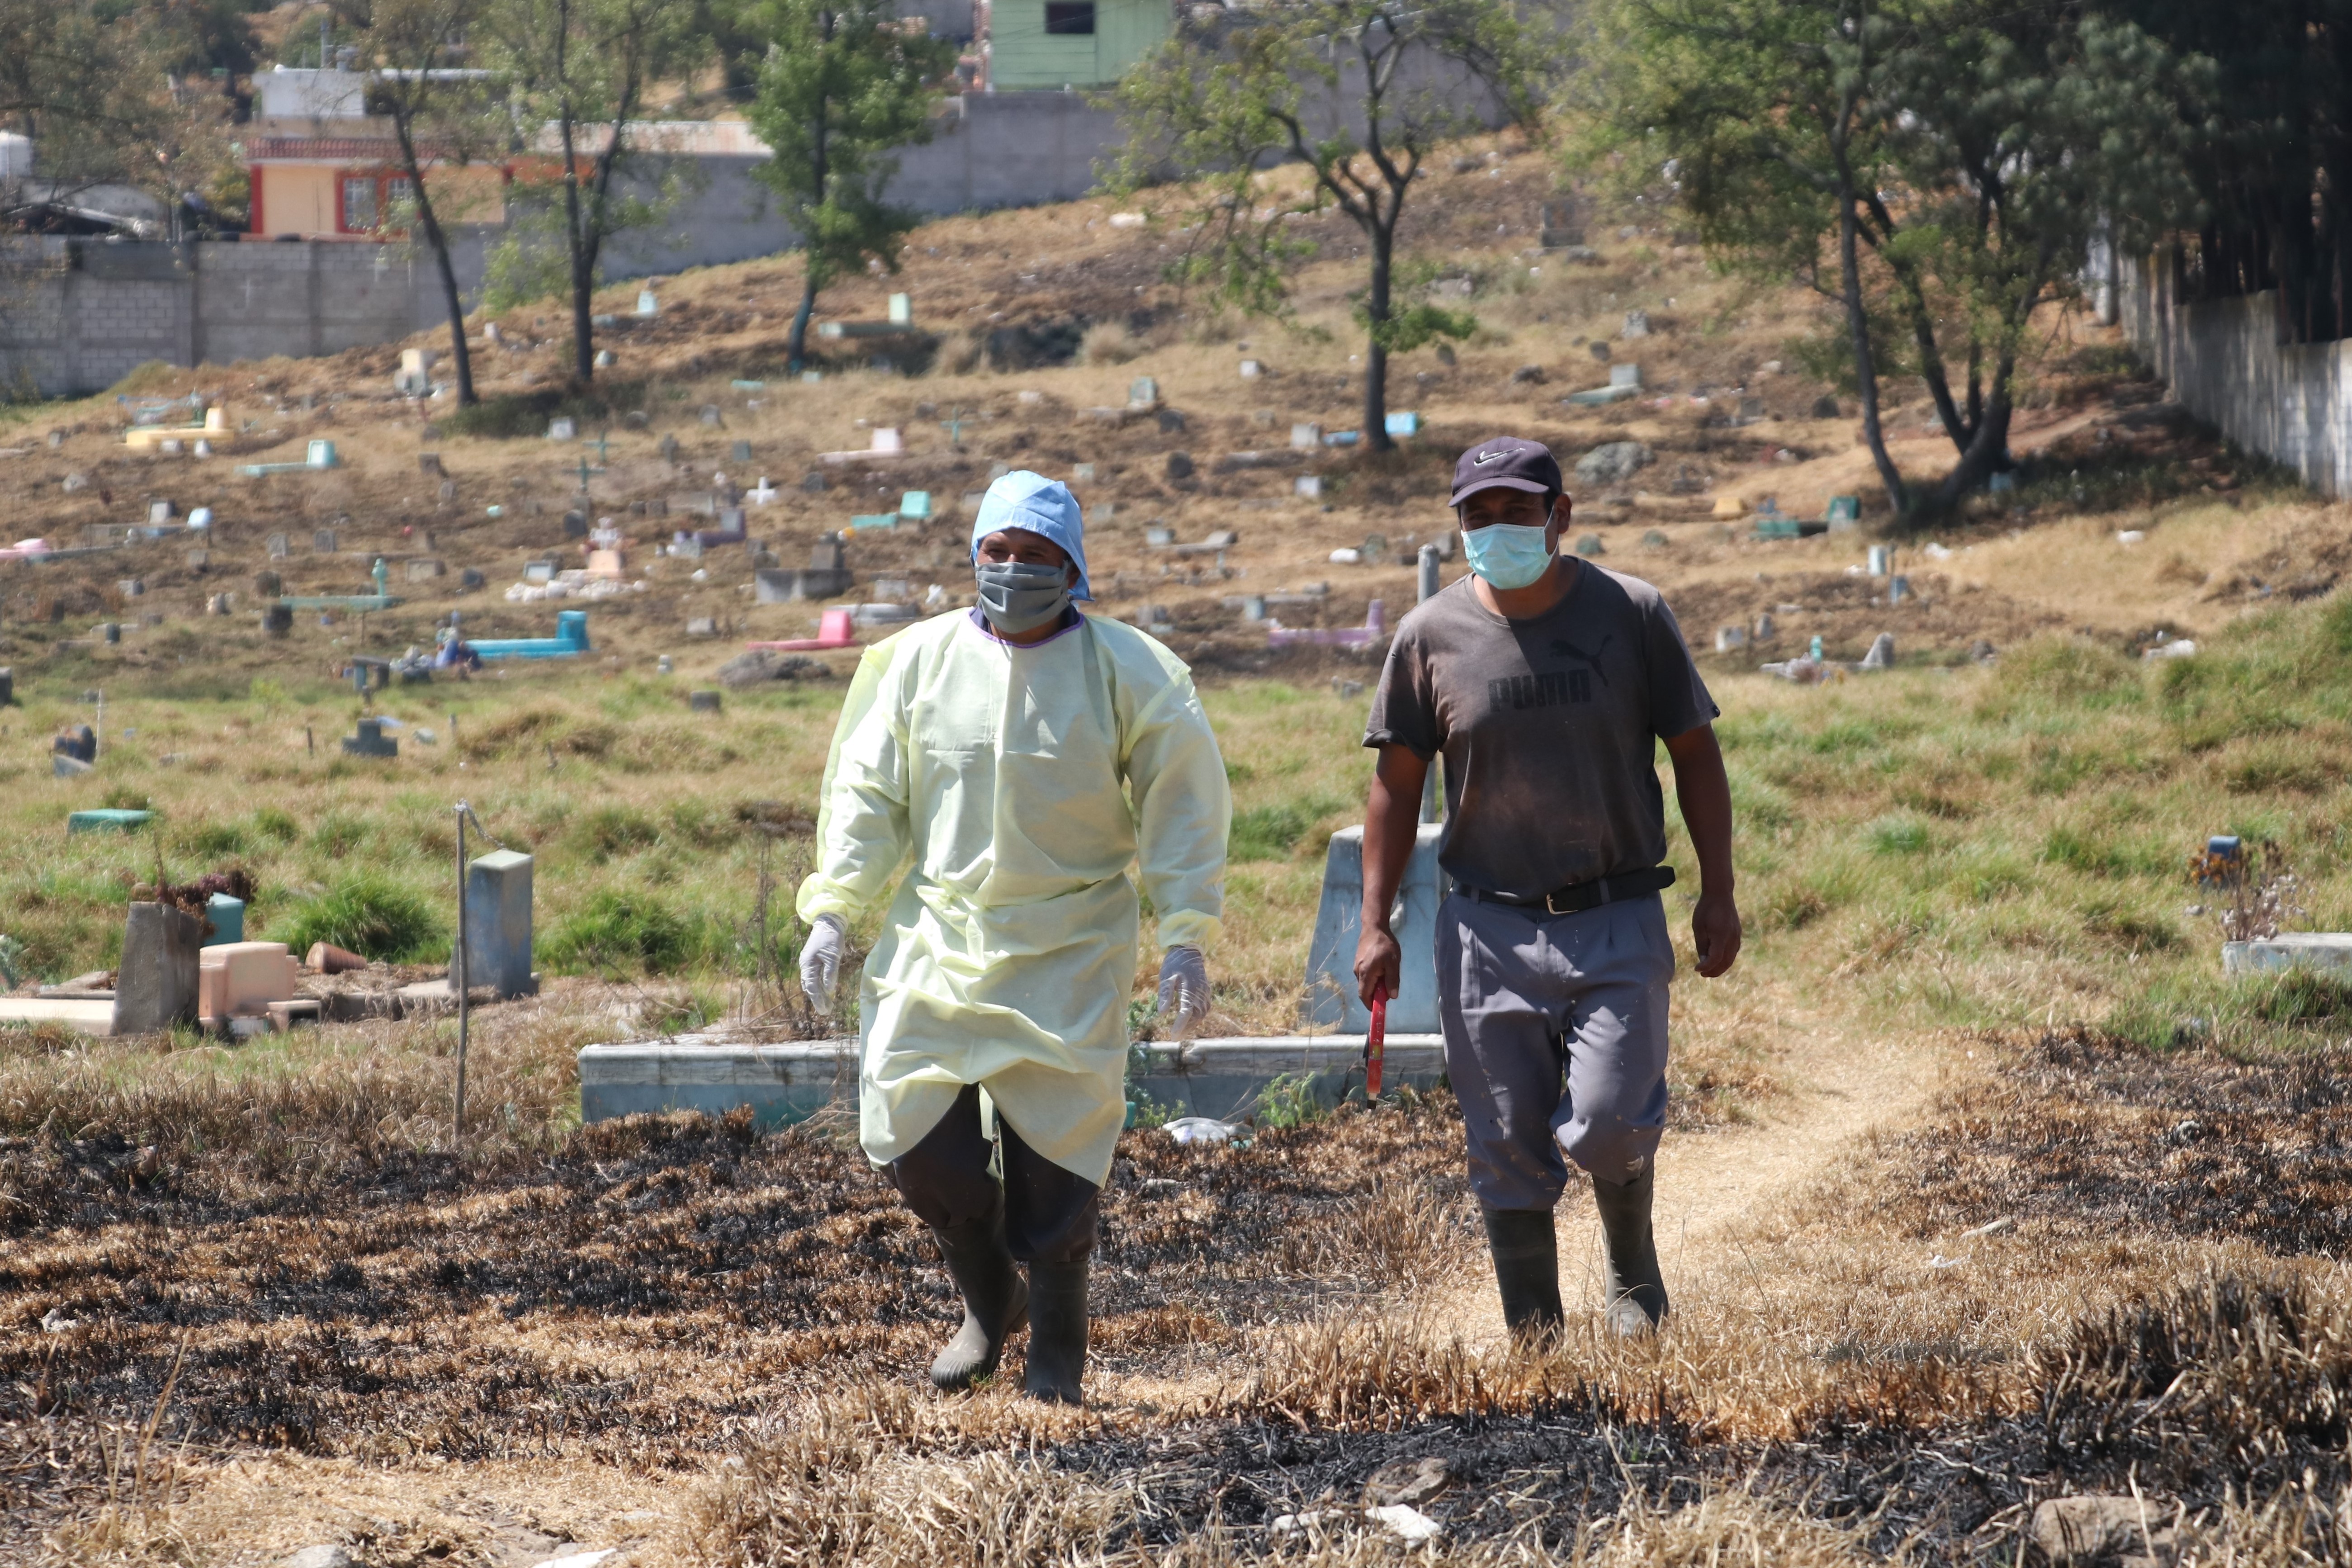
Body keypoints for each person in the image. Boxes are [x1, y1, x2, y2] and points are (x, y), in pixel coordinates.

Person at [797, 469, 1231, 1403]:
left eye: (1037, 557)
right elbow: (866, 793)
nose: (1013, 571)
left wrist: (1187, 933)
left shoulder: (1135, 672)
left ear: (1073, 570)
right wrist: (834, 906)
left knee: (1059, 1170)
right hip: (940, 933)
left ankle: (1058, 1352)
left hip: (1072, 942)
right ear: (973, 558)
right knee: (922, 1148)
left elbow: (1184, 807)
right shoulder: (911, 663)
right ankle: (991, 1302)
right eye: (998, 552)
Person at [1353, 435, 1740, 1341]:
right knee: (1504, 1147)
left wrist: (1718, 892)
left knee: (1610, 1120)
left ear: (1560, 516)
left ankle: (1632, 1272)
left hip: (1616, 911)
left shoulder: (1631, 614)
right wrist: (1375, 923)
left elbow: (1696, 754)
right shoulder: (1429, 638)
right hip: (1486, 927)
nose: (1498, 529)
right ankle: (1535, 1338)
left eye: (1518, 511)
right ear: (1458, 527)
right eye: (1477, 516)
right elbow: (1396, 787)